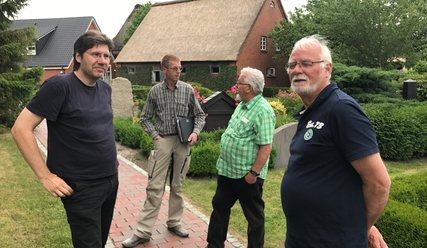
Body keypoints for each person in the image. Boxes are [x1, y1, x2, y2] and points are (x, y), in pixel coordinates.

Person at [280, 34, 391, 248]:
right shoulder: (311, 110)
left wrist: (362, 227)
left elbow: (379, 183)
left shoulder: (341, 109)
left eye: (306, 64)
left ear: (327, 69)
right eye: (292, 64)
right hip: (302, 239)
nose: (297, 70)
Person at [11, 30, 118, 248]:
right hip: (81, 186)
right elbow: (20, 129)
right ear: (78, 56)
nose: (103, 61)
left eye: (107, 56)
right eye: (96, 54)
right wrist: (46, 176)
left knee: (100, 240)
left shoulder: (105, 88)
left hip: (110, 180)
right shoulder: (59, 86)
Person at [122, 54, 205, 247]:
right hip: (163, 141)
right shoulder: (155, 92)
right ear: (164, 70)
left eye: (180, 68)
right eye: (175, 68)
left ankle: (174, 222)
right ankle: (143, 232)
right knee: (154, 187)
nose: (178, 71)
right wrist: (156, 136)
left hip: (183, 143)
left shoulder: (187, 90)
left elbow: (199, 115)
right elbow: (144, 118)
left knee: (178, 185)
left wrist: (195, 133)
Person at [206, 67, 276, 248]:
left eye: (239, 83)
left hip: (246, 176)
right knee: (220, 208)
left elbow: (266, 146)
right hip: (227, 172)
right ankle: (214, 245)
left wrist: (253, 174)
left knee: (254, 217)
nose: (236, 86)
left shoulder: (263, 110)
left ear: (249, 87)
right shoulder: (242, 106)